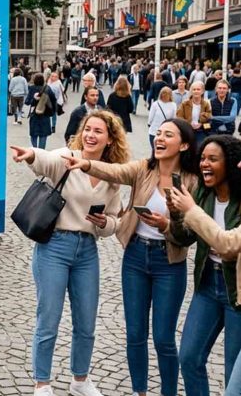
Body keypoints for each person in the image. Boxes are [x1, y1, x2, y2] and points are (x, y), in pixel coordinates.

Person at [63, 118, 199, 396]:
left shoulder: (192, 182)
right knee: (136, 334)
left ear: (184, 145)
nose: (159, 139)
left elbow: (190, 232)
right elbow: (114, 171)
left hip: (169, 262)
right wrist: (86, 164)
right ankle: (140, 392)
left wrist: (166, 225)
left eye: (168, 135)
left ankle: (168, 392)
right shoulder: (143, 169)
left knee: (163, 338)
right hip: (136, 256)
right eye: (158, 133)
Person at [12, 110, 130, 396]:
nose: (90, 135)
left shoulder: (111, 176)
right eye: (88, 129)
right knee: (48, 319)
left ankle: (80, 380)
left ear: (110, 139)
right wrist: (29, 154)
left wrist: (105, 224)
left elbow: (115, 221)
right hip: (54, 246)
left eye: (98, 131)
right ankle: (42, 383)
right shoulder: (67, 156)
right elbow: (45, 160)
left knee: (86, 322)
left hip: (87, 251)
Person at [166, 135, 241, 396]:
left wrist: (190, 211)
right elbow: (185, 237)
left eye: (213, 159)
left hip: (237, 292)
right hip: (208, 284)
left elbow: (227, 246)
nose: (204, 164)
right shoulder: (202, 193)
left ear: (230, 163)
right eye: (202, 159)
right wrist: (177, 213)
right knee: (188, 357)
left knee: (234, 375)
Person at [25, 73, 56, 149]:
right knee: (43, 135)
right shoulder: (48, 88)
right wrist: (52, 112)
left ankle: (35, 150)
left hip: (34, 114)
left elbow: (27, 102)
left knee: (34, 134)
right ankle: (41, 152)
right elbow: (54, 100)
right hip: (45, 115)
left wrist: (34, 99)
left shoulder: (32, 88)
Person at [177, 81, 212, 148]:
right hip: (187, 131)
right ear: (191, 91)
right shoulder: (184, 104)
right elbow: (179, 117)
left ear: (202, 91)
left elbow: (209, 117)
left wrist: (201, 124)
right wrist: (188, 124)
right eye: (194, 89)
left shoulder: (206, 104)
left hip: (201, 131)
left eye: (198, 89)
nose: (196, 91)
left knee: (199, 149)